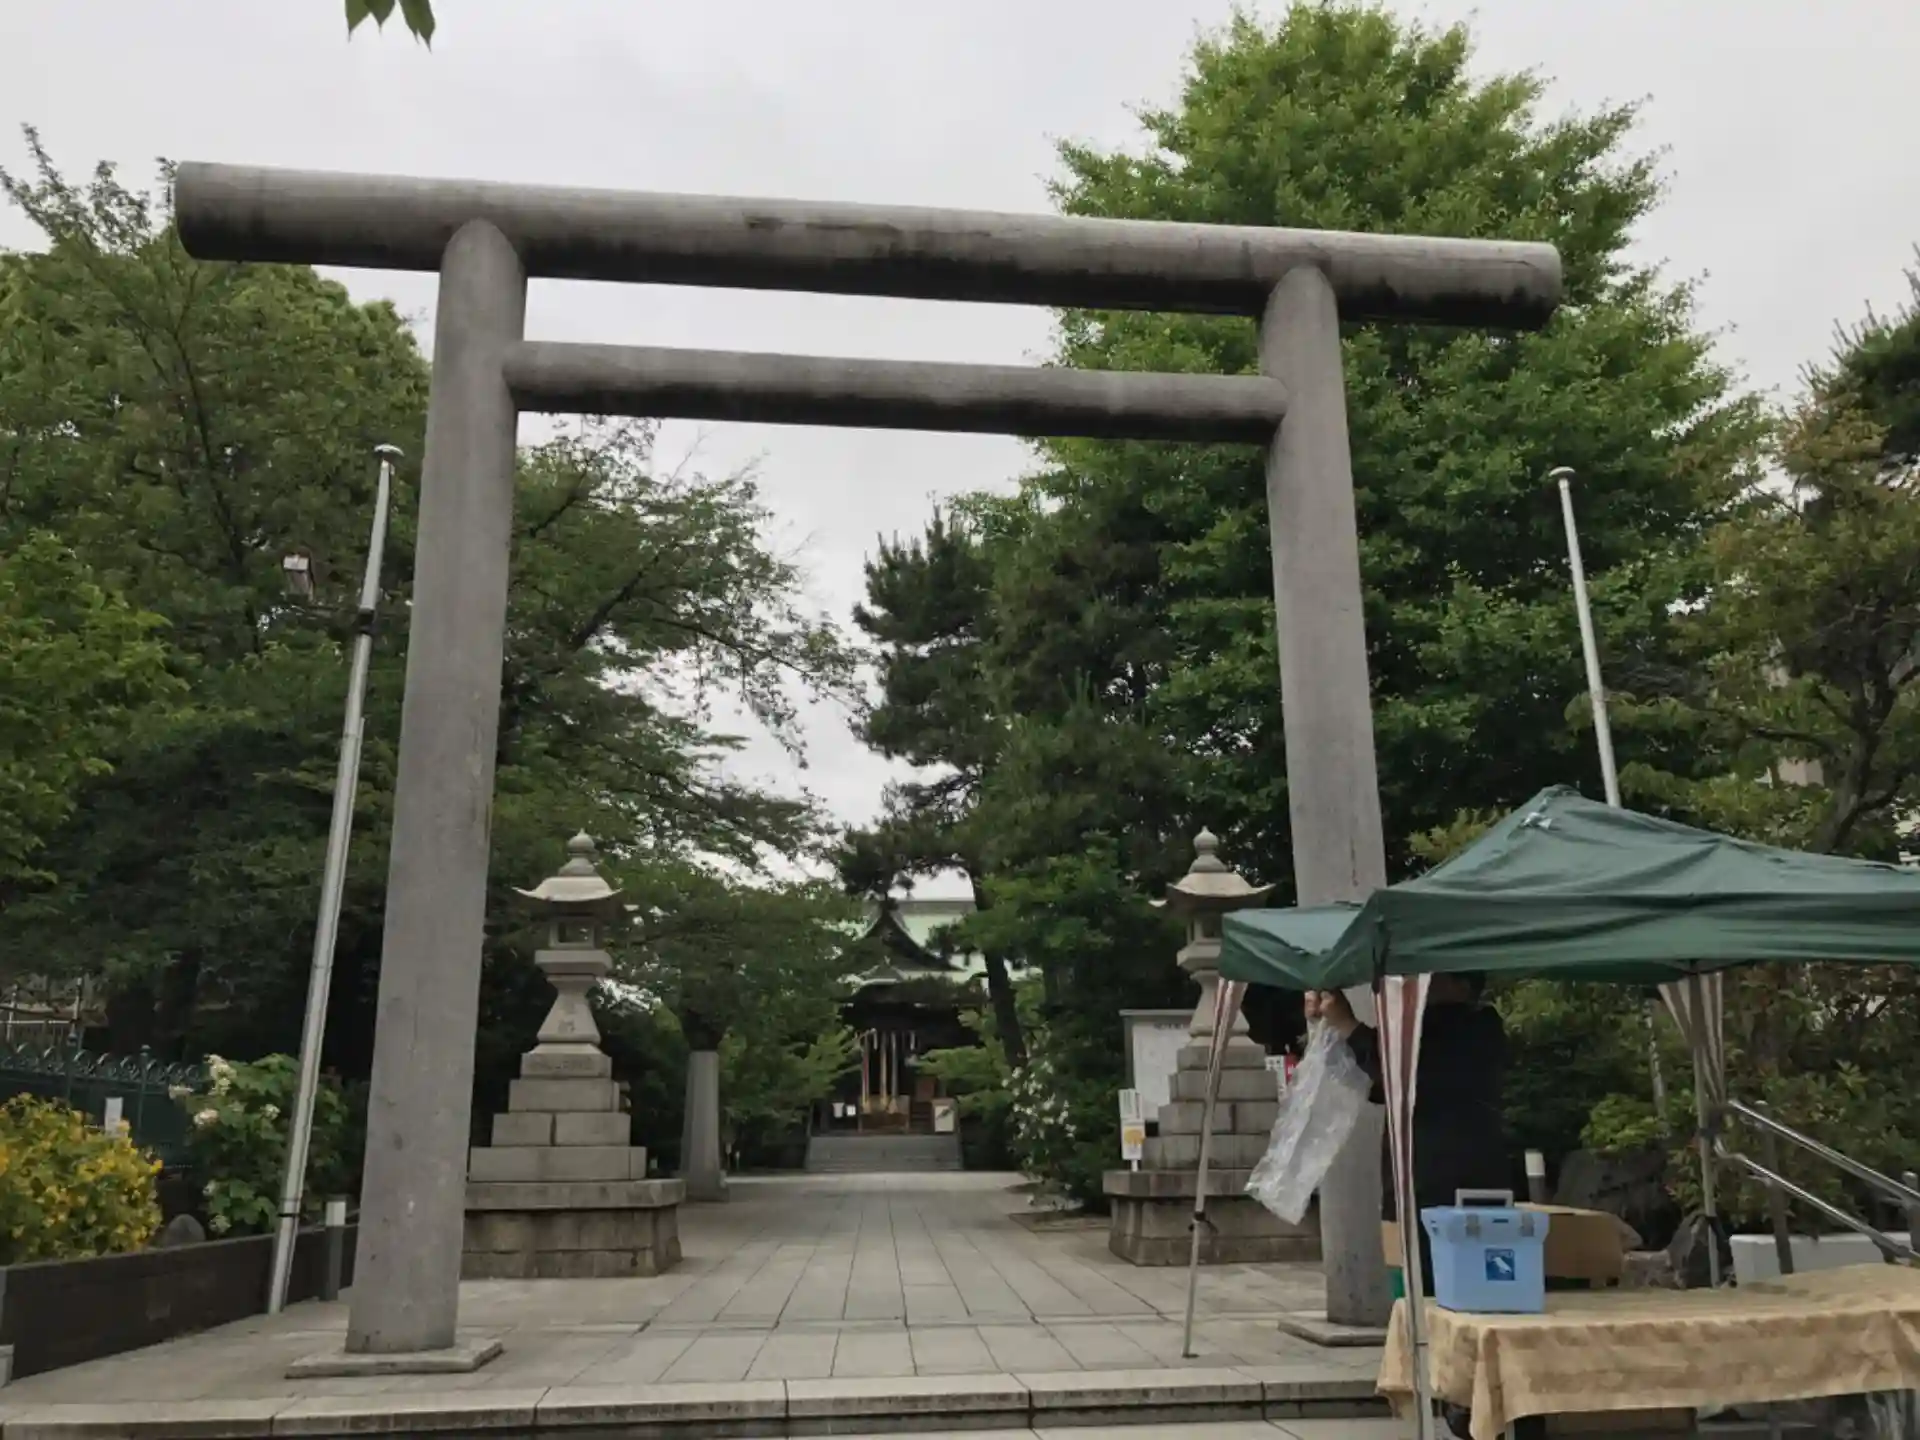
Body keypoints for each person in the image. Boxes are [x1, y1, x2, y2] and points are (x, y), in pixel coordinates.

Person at [1304, 973, 1510, 1293]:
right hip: (1412, 1183)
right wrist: (1332, 1028)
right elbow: (1377, 1082)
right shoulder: (1435, 1027)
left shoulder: (1473, 1028)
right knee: (1411, 1287)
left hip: (1451, 1184)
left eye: (1432, 978)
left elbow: (1399, 1074)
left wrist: (1348, 1025)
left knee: (1449, 1291)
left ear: (1462, 985)